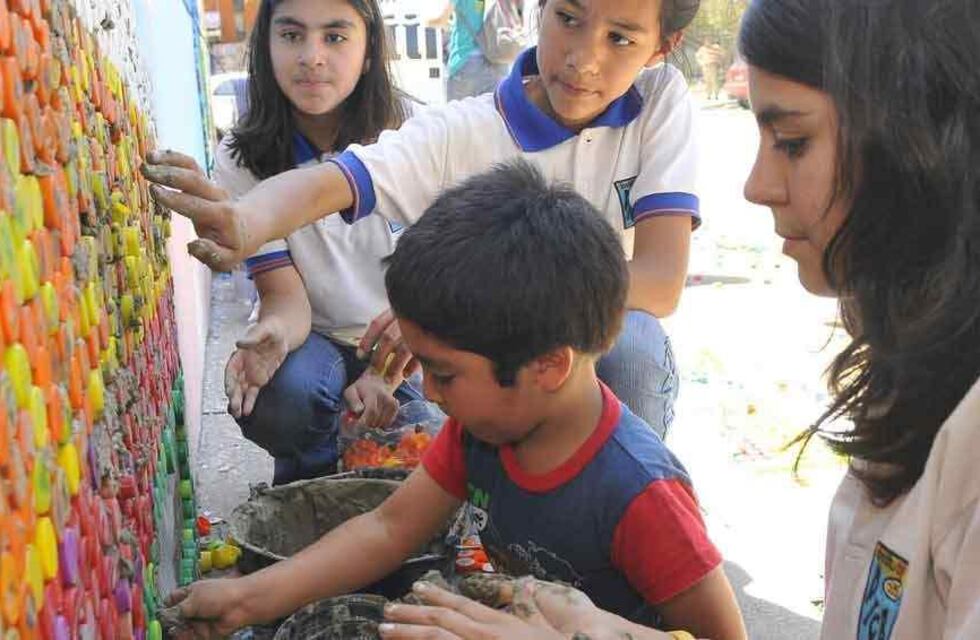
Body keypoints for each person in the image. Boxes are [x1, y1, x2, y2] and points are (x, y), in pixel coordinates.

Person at [379, 0, 980, 637]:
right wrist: (598, 628)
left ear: (929, 144)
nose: (756, 185)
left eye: (794, 143)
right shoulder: (913, 388)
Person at [165, 161, 747, 640]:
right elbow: (388, 528)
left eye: (443, 373)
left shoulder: (640, 494)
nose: (430, 393)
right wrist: (247, 600)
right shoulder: (486, 430)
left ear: (548, 365)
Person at [147, 0, 704, 441]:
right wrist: (248, 218)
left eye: (621, 38)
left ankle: (623, 515)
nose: (583, 58)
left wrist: (455, 303)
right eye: (568, 18)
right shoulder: (460, 131)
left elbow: (659, 283)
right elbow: (338, 180)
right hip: (449, 346)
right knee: (381, 441)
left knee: (632, 342)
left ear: (663, 46)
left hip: (493, 336)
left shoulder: (657, 103)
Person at [143, 0, 431, 486]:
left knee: (425, 437)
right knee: (283, 396)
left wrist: (385, 373)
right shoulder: (242, 156)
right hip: (312, 339)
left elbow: (437, 287)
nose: (312, 57)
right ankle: (313, 486)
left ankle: (364, 478)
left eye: (335, 37)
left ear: (368, 50)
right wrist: (273, 335)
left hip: (406, 341)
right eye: (292, 36)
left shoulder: (415, 132)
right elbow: (284, 296)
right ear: (266, 47)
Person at [425, 0, 517, 100]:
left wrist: (424, 21)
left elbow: (441, 20)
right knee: (491, 113)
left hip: (467, 62)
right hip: (498, 62)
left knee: (456, 113)